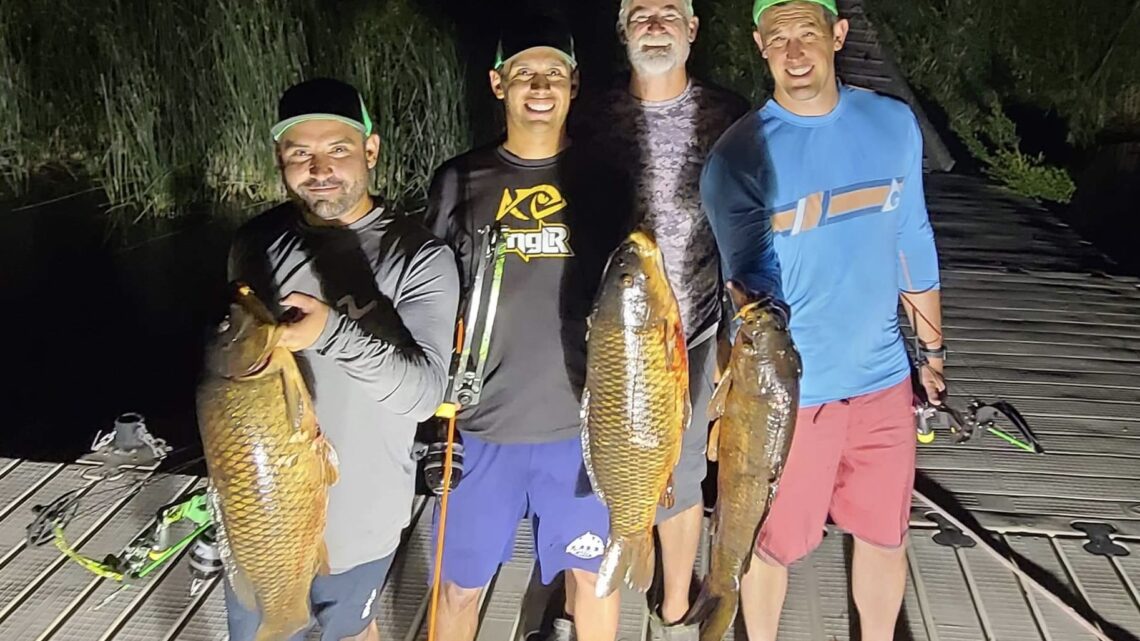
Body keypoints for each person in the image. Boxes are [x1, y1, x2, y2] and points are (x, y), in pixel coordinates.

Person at [698, 1, 946, 640]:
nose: (794, 47)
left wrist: (932, 351)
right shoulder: (738, 156)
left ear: (838, 34)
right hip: (788, 398)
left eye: (807, 30)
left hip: (884, 381)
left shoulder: (892, 125)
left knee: (885, 535)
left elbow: (911, 237)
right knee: (768, 544)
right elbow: (748, 284)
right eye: (778, 35)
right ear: (759, 45)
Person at [422, 13, 634, 641]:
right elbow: (429, 304)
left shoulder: (606, 180)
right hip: (480, 426)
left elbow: (634, 301)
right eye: (523, 75)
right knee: (459, 588)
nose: (538, 87)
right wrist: (429, 414)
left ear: (573, 85)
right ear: (497, 83)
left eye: (553, 75)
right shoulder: (459, 180)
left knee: (593, 582)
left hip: (583, 429)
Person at [224, 77, 460, 641]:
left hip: (358, 518)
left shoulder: (420, 256)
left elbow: (424, 394)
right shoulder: (253, 243)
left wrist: (331, 332)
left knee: (350, 631)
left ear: (370, 151)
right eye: (300, 153)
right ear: (280, 158)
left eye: (338, 149)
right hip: (259, 514)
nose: (319, 167)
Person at [569, 0, 749, 637]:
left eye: (670, 10)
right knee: (607, 453)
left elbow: (752, 219)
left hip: (694, 325)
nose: (655, 22)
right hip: (606, 328)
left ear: (692, 29)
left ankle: (675, 599)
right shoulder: (588, 114)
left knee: (685, 462)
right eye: (640, 11)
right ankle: (593, 582)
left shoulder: (730, 117)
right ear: (621, 29)